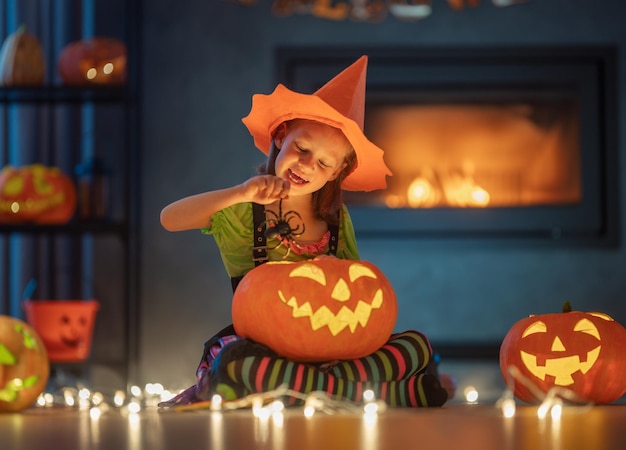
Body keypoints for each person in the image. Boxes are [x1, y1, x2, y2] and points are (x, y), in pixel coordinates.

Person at [159, 56, 448, 408]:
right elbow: (169, 218)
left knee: (416, 345)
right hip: (262, 349)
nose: (308, 164)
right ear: (281, 136)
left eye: (324, 163)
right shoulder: (241, 210)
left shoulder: (336, 220)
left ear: (336, 173)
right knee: (235, 362)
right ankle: (380, 393)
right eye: (302, 148)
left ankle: (310, 389)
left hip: (331, 350)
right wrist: (240, 192)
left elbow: (357, 290)